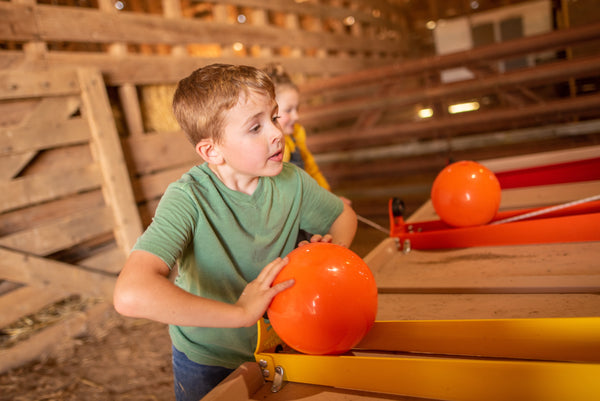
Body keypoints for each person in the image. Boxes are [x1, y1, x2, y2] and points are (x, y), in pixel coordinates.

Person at [112, 64, 357, 401]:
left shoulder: (292, 182)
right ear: (212, 151)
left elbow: (342, 213)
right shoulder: (189, 198)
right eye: (255, 127)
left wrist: (335, 246)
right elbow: (130, 293)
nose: (276, 133)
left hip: (285, 344)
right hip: (209, 357)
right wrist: (240, 314)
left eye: (273, 118)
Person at [262, 63, 332, 190]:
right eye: (288, 110)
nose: (296, 116)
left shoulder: (297, 134)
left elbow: (311, 170)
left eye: (297, 109)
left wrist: (329, 197)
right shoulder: (266, 145)